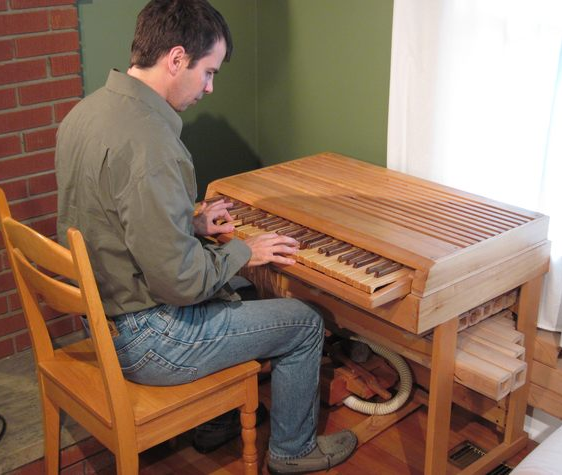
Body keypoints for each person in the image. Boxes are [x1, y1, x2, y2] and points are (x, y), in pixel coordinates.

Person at [54, 0, 357, 473]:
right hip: (147, 341)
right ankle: (292, 453)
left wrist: (190, 224)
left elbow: (111, 215)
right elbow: (181, 284)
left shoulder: (86, 112)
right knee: (304, 322)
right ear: (176, 59)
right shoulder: (153, 144)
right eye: (209, 72)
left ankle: (214, 422)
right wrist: (245, 250)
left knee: (238, 290)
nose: (210, 88)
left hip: (102, 322)